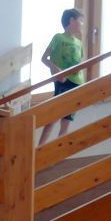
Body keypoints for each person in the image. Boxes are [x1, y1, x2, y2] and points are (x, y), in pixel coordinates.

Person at [45, 9, 85, 138]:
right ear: (72, 20)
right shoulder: (58, 37)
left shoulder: (79, 43)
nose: (81, 24)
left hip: (77, 83)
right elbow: (44, 58)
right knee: (53, 118)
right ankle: (39, 148)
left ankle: (58, 155)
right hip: (63, 81)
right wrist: (56, 70)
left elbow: (80, 63)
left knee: (66, 121)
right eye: (80, 21)